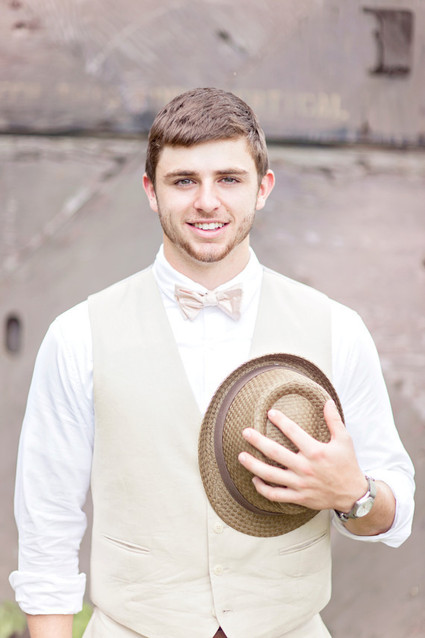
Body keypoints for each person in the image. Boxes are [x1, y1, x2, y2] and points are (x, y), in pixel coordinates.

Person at [10, 87, 414, 638]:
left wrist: (354, 494)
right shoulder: (77, 335)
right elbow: (47, 526)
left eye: (229, 179)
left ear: (262, 188)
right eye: (184, 181)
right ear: (151, 192)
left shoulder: (337, 329)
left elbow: (395, 516)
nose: (207, 201)